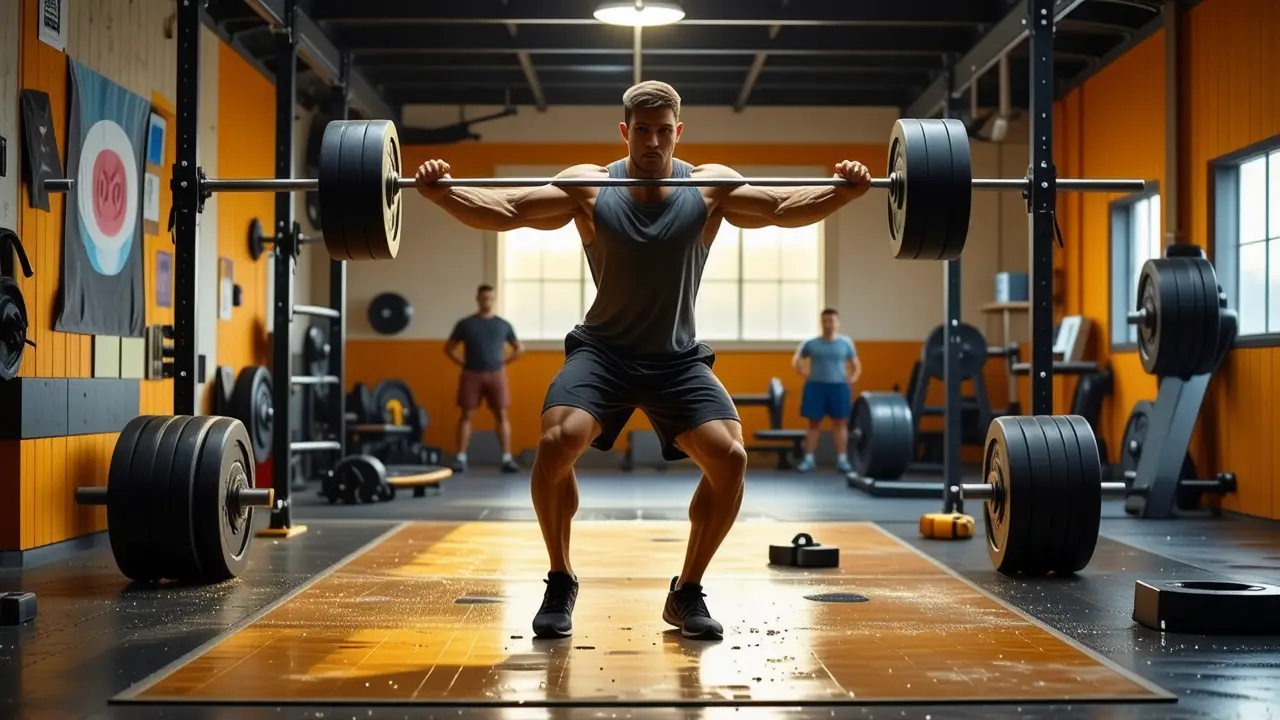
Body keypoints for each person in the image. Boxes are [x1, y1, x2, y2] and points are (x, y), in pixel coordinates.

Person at [414, 80, 872, 641]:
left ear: (678, 133)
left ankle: (687, 592)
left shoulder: (709, 187)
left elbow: (779, 208)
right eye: (643, 132)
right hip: (603, 354)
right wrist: (442, 194)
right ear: (625, 131)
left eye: (664, 132)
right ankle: (560, 579)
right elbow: (508, 208)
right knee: (558, 442)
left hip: (676, 361)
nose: (653, 143)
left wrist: (842, 193)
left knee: (729, 458)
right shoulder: (589, 185)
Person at [444, 284, 524, 474]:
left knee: (502, 416)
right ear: (478, 299)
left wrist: (503, 362)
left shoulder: (503, 325)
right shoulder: (465, 324)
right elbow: (448, 348)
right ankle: (461, 458)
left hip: (496, 373)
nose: (487, 301)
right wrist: (462, 363)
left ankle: (506, 458)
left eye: (490, 298)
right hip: (471, 373)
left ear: (494, 300)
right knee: (466, 416)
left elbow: (519, 349)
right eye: (484, 298)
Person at [791, 308, 862, 473]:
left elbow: (856, 364)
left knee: (840, 424)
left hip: (839, 387)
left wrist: (853, 378)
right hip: (816, 386)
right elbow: (797, 360)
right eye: (825, 321)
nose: (828, 324)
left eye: (832, 320)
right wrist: (804, 373)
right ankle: (808, 459)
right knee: (813, 424)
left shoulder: (845, 343)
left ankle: (843, 460)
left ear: (837, 323)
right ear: (821, 322)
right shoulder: (811, 343)